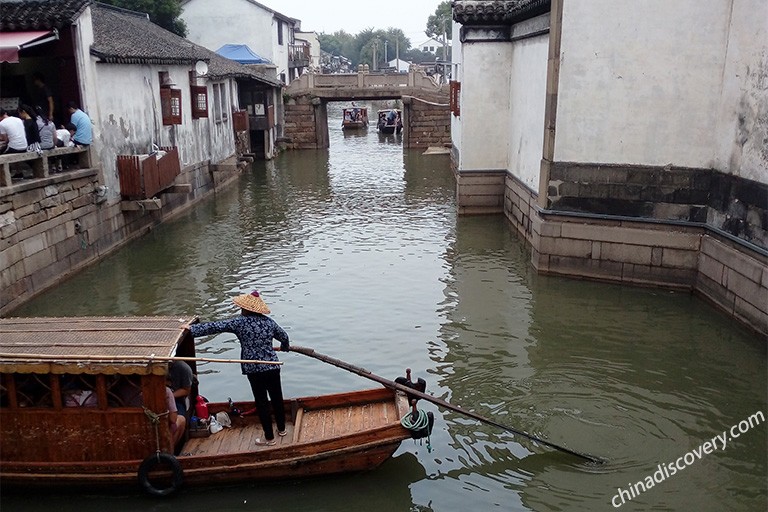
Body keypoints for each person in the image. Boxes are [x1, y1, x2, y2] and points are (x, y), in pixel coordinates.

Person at [184, 290, 290, 446]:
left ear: (246, 309)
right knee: (276, 398)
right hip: (272, 366)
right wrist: (284, 347)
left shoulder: (240, 323)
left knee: (261, 402)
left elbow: (216, 326)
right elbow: (284, 337)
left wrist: (191, 329)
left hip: (254, 370)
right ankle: (282, 430)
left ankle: (269, 438)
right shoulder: (269, 322)